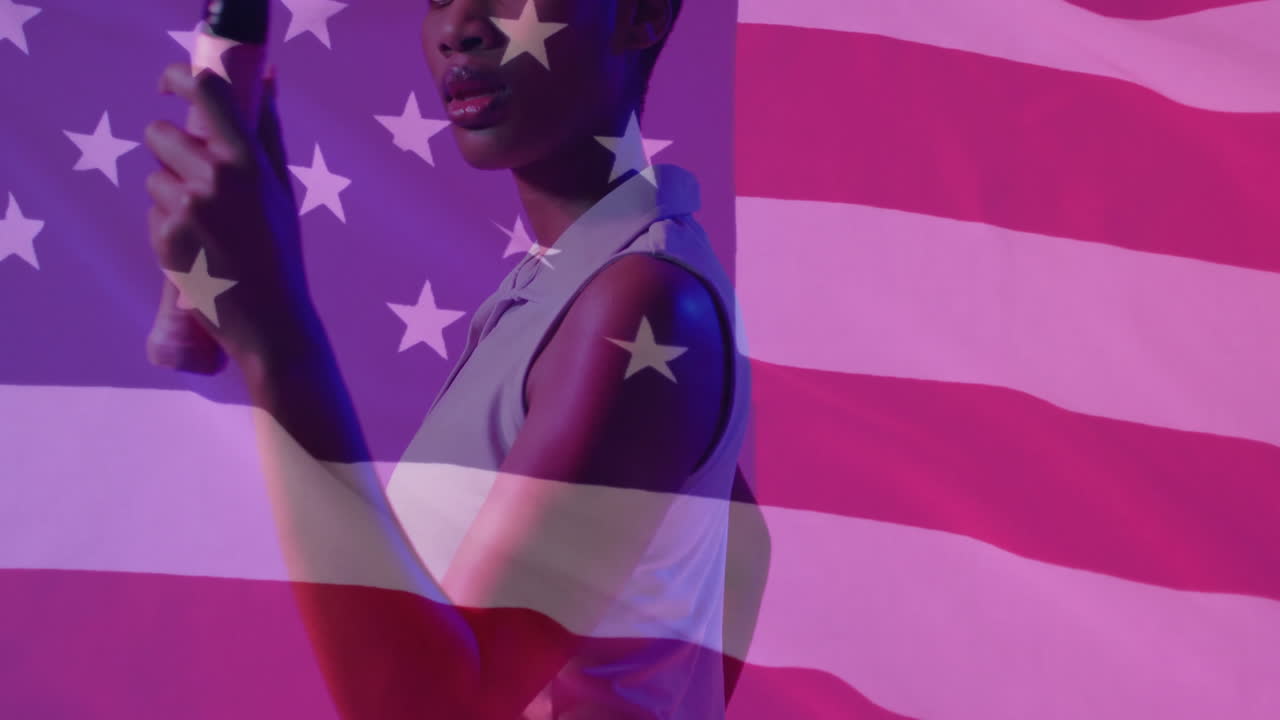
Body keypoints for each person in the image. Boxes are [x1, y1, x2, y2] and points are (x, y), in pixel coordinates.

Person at [141, 0, 767, 717]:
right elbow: (742, 545)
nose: (458, 25)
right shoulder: (579, 279)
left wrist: (277, 338)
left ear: (641, 14)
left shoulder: (644, 304)